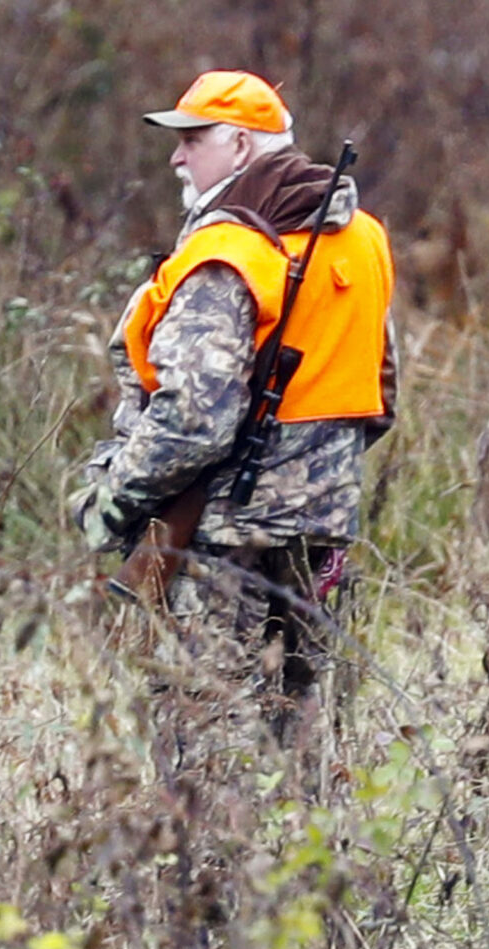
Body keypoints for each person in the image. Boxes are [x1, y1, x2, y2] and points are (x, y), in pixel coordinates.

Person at [69, 69, 397, 732]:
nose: (177, 156)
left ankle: (216, 842)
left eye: (194, 138)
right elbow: (380, 390)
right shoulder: (365, 240)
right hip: (321, 526)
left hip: (223, 530)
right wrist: (309, 472)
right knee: (295, 719)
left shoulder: (228, 253)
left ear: (243, 148)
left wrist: (111, 502)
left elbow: (194, 421)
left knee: (204, 728)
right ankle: (303, 840)